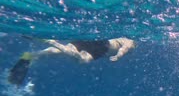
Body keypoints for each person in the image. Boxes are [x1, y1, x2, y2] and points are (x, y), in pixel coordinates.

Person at [7, 37, 136, 86]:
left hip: (92, 41)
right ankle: (52, 41)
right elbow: (124, 50)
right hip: (102, 47)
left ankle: (31, 55)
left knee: (61, 51)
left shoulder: (120, 36)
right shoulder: (130, 42)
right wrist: (118, 57)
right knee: (82, 60)